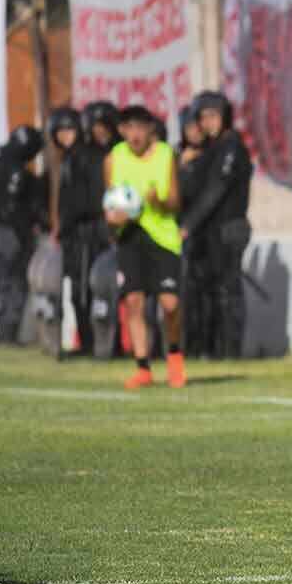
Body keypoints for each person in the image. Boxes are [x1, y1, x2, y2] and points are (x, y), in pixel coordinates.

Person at [104, 105, 186, 388]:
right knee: (134, 301)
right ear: (122, 130)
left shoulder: (165, 154)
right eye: (129, 128)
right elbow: (109, 208)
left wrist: (156, 202)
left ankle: (174, 354)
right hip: (130, 237)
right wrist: (116, 219)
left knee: (170, 303)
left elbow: (176, 201)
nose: (135, 134)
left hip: (162, 236)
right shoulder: (114, 158)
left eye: (140, 127)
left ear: (150, 129)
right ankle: (143, 368)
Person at [179, 91, 253, 359]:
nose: (208, 123)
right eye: (203, 117)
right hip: (209, 231)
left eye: (213, 116)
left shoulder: (232, 147)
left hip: (229, 228)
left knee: (226, 291)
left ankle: (230, 352)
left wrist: (188, 225)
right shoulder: (209, 150)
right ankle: (209, 349)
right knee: (206, 291)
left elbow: (215, 190)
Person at [0, 125, 45, 346]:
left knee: (3, 282)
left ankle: (2, 333)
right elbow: (26, 207)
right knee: (14, 282)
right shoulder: (19, 173)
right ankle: (8, 333)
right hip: (13, 233)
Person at [50, 106, 104, 356]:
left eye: (69, 129)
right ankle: (85, 341)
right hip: (74, 234)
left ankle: (93, 343)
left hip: (87, 234)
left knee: (85, 292)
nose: (65, 135)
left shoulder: (87, 156)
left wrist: (69, 221)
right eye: (60, 131)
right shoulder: (69, 159)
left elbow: (89, 201)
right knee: (76, 292)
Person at [81, 100, 121, 357]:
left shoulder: (121, 153)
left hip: (115, 227)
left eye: (104, 126)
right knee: (92, 289)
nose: (100, 132)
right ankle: (97, 343)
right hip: (92, 229)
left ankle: (119, 343)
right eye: (96, 127)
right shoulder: (83, 155)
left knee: (117, 288)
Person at [176, 105, 211, 357]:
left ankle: (204, 346)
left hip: (204, 232)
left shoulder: (212, 155)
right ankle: (187, 346)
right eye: (190, 128)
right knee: (184, 294)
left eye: (198, 128)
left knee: (205, 294)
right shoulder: (177, 157)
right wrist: (180, 166)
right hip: (180, 233)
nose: (195, 133)